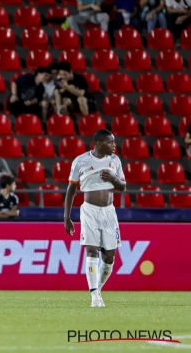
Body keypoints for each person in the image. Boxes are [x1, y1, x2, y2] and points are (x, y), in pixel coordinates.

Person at [64, 129, 126, 308]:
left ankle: (98, 289)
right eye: (110, 142)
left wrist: (113, 178)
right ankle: (94, 296)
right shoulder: (81, 161)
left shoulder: (115, 160)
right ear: (99, 144)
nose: (114, 145)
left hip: (109, 212)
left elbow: (122, 186)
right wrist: (66, 216)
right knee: (92, 251)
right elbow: (71, 190)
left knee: (109, 257)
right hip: (89, 211)